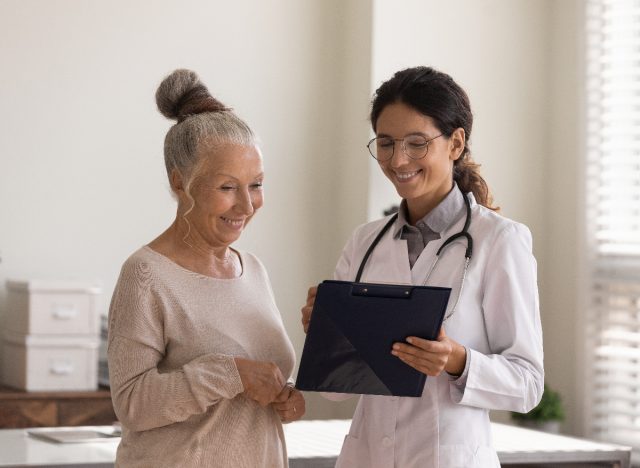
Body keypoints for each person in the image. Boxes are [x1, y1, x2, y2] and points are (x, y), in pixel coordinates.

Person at [301, 66, 544, 467]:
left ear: (455, 143)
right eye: (386, 143)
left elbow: (528, 385)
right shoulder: (365, 242)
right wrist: (328, 335)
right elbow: (335, 391)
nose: (398, 160)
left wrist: (456, 361)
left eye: (417, 143)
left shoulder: (500, 241)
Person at [108, 69, 305, 468]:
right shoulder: (146, 275)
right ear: (180, 183)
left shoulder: (253, 270)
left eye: (257, 184)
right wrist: (231, 375)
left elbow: (254, 382)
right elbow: (131, 404)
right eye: (228, 187)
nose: (247, 206)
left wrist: (286, 398)